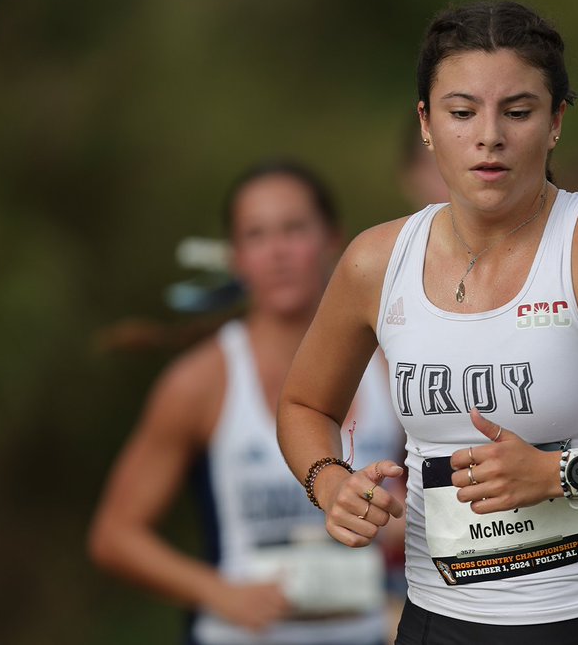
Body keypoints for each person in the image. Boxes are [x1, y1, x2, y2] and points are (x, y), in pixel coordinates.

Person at [277, 1, 578, 645]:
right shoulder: (376, 261)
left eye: (518, 111)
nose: (489, 136)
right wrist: (329, 480)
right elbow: (304, 403)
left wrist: (564, 472)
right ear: (426, 124)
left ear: (556, 121)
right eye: (461, 112)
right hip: (437, 623)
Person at [89, 159, 403, 645]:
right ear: (236, 257)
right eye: (256, 236)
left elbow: (437, 499)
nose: (277, 252)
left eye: (294, 229)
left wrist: (407, 519)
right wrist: (218, 593)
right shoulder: (202, 381)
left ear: (333, 240)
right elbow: (114, 536)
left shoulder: (390, 363)